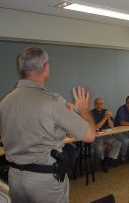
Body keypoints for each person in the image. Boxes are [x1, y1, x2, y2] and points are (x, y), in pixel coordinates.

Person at [0, 46, 96, 203]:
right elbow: (90, 135)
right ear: (45, 67)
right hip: (44, 182)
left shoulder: (5, 102)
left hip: (15, 178)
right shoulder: (52, 101)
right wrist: (84, 109)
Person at [91, 98, 122, 172]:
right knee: (99, 147)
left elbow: (112, 126)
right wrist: (105, 118)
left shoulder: (105, 111)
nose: (99, 105)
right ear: (95, 104)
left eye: (101, 104)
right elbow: (95, 128)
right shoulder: (91, 113)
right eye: (97, 104)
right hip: (95, 137)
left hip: (105, 135)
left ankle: (107, 161)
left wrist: (108, 118)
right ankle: (102, 160)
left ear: (103, 104)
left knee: (118, 143)